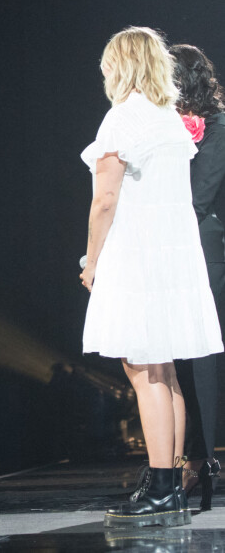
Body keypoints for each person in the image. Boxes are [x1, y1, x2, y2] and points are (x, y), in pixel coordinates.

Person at [79, 27, 223, 528]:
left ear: (121, 65)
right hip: (171, 255)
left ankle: (162, 484)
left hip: (138, 254)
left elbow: (105, 199)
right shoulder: (167, 119)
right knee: (163, 371)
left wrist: (91, 260)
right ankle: (168, 479)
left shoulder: (124, 116)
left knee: (143, 370)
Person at [170, 44, 225, 510]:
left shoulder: (218, 127)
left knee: (203, 355)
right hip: (176, 249)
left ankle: (201, 459)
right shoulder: (166, 125)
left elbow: (201, 196)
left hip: (206, 252)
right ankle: (189, 459)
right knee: (181, 355)